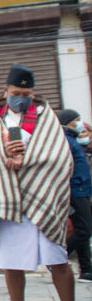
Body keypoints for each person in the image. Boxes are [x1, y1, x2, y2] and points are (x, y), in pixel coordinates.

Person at [0, 63, 89, 301]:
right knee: (11, 262)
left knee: (57, 260)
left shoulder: (45, 118)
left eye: (27, 92)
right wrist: (5, 158)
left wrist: (27, 160)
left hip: (43, 198)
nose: (22, 97)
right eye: (17, 92)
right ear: (6, 90)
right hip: (7, 201)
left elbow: (59, 156)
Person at [58, 109, 92, 283]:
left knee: (82, 229)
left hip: (82, 189)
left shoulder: (72, 139)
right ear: (68, 122)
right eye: (76, 120)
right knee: (85, 229)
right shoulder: (65, 140)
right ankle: (57, 257)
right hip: (76, 189)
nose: (80, 123)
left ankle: (86, 269)